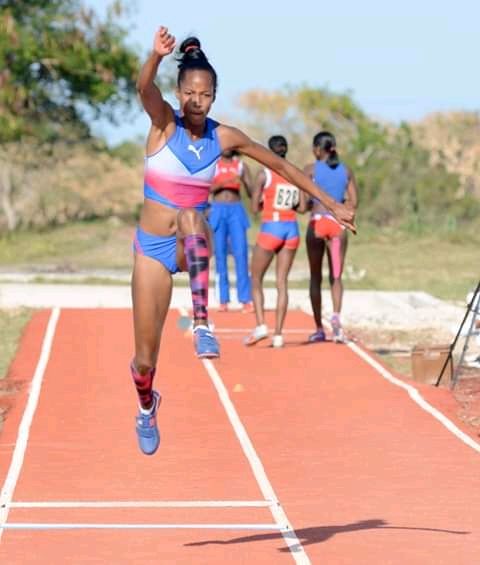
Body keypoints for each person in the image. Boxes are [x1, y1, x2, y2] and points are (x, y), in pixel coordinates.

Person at [131, 27, 355, 455]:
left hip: (190, 239)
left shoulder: (225, 137)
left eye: (207, 94)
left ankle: (202, 323)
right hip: (152, 248)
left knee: (193, 215)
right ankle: (146, 403)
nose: (198, 102)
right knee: (145, 360)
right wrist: (155, 58)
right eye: (191, 94)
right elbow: (143, 87)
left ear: (215, 95)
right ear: (178, 93)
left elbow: (285, 169)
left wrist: (332, 206)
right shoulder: (163, 126)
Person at [244, 135, 306, 348]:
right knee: (282, 282)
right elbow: (303, 207)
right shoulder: (295, 174)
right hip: (292, 228)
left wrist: (263, 203)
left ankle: (261, 325)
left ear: (268, 152)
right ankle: (279, 334)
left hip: (272, 227)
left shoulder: (265, 174)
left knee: (256, 278)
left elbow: (253, 207)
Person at [304, 131, 358, 343]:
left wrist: (310, 203)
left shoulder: (310, 170)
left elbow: (301, 203)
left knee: (315, 277)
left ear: (318, 149)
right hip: (337, 226)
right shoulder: (346, 171)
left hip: (317, 223)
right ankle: (336, 319)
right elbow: (354, 202)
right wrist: (342, 207)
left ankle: (319, 328)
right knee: (336, 276)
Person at [209, 150, 254, 312]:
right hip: (218, 210)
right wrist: (223, 183)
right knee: (219, 255)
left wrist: (245, 181)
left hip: (236, 210)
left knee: (241, 254)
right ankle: (223, 299)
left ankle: (245, 299)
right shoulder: (213, 164)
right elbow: (206, 189)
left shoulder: (241, 165)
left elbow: (251, 191)